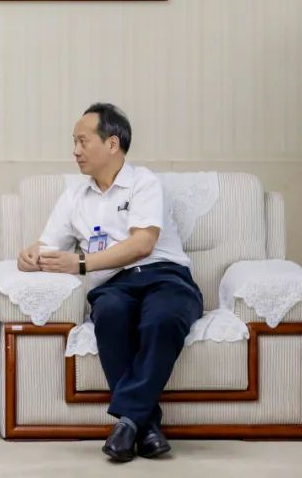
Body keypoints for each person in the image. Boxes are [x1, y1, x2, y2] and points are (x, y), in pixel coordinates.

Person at [17, 103, 202, 462]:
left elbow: (142, 243)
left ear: (112, 144)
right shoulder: (74, 195)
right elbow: (47, 244)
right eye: (74, 142)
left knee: (162, 319)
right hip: (114, 286)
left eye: (83, 141)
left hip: (165, 277)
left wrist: (81, 263)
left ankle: (129, 422)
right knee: (111, 314)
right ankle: (145, 427)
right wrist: (30, 256)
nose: (75, 150)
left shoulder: (144, 183)